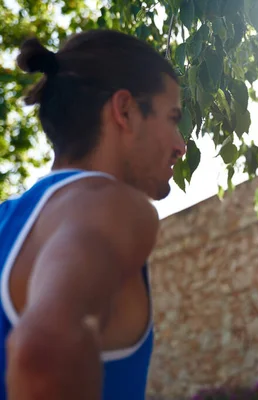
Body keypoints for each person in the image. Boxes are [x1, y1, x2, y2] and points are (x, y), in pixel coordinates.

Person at [0, 30, 186, 400]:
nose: (181, 146)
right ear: (125, 111)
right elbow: (45, 350)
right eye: (172, 117)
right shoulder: (109, 205)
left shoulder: (8, 220)